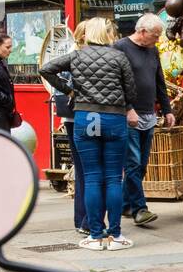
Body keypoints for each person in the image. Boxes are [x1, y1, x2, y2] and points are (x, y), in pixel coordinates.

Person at [40, 17, 138, 251]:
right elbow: (131, 92)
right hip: (113, 119)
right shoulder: (119, 57)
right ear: (106, 34)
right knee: (114, 178)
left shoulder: (76, 56)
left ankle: (95, 235)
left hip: (86, 118)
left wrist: (71, 91)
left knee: (92, 177)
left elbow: (46, 69)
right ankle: (115, 235)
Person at [115, 14, 175, 227]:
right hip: (129, 115)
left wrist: (167, 109)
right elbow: (116, 83)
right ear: (141, 32)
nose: (158, 39)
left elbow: (160, 82)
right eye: (155, 35)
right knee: (132, 163)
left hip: (149, 114)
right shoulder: (120, 47)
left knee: (140, 166)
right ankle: (140, 209)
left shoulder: (153, 50)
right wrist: (128, 109)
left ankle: (125, 205)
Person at [49, 22, 89, 236]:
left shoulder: (70, 55)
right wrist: (72, 92)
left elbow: (52, 78)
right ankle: (85, 219)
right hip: (84, 118)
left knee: (82, 169)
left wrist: (68, 92)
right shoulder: (78, 58)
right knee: (87, 170)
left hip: (70, 118)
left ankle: (81, 219)